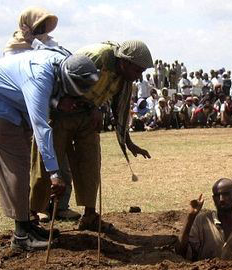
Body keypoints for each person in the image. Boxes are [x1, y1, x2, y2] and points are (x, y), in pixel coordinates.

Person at [0, 47, 99, 250]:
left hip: (12, 102)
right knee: (18, 167)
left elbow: (48, 99)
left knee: (22, 163)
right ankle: (22, 236)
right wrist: (54, 173)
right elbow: (41, 126)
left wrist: (58, 102)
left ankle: (28, 226)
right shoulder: (39, 78)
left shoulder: (64, 63)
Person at [30, 40, 153, 233]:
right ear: (125, 62)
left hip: (87, 118)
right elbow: (59, 81)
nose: (139, 77)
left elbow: (118, 108)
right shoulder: (98, 57)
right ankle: (32, 218)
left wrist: (128, 142)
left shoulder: (124, 78)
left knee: (90, 164)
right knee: (46, 165)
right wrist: (63, 104)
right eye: (138, 71)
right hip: (60, 114)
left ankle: (90, 215)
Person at [4, 7, 79, 221]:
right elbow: (30, 78)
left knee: (61, 162)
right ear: (27, 24)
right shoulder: (14, 48)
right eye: (40, 24)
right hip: (26, 113)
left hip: (53, 111)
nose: (43, 28)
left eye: (46, 24)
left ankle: (59, 208)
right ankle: (34, 210)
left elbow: (63, 61)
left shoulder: (51, 45)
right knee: (35, 166)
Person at [176, 178, 232, 261]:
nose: (221, 199)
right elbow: (181, 252)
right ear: (213, 198)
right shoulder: (202, 221)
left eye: (226, 194)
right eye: (217, 195)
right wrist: (190, 217)